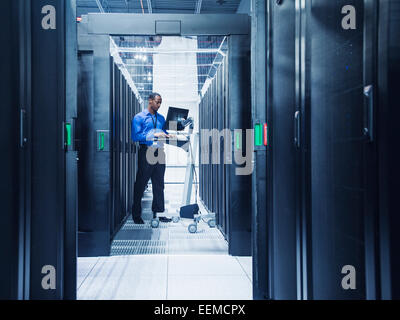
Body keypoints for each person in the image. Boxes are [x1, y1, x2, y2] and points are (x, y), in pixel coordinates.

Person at [131, 92, 172, 224]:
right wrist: (154, 135)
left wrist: (167, 135)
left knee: (159, 184)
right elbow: (136, 137)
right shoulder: (139, 117)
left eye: (161, 102)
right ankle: (136, 215)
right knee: (141, 184)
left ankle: (159, 213)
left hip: (159, 152)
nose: (159, 105)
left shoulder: (161, 118)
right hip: (146, 152)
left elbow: (163, 132)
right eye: (157, 102)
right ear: (150, 101)